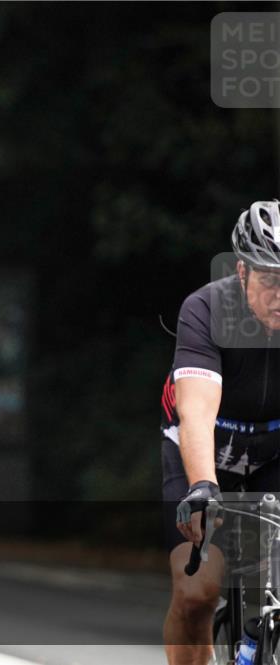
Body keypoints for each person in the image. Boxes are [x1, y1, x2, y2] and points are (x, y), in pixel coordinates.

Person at [162, 200, 280, 665]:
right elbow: (196, 413)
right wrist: (203, 486)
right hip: (205, 452)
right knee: (197, 592)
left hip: (274, 453)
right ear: (243, 273)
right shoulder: (207, 308)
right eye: (270, 281)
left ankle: (257, 641)